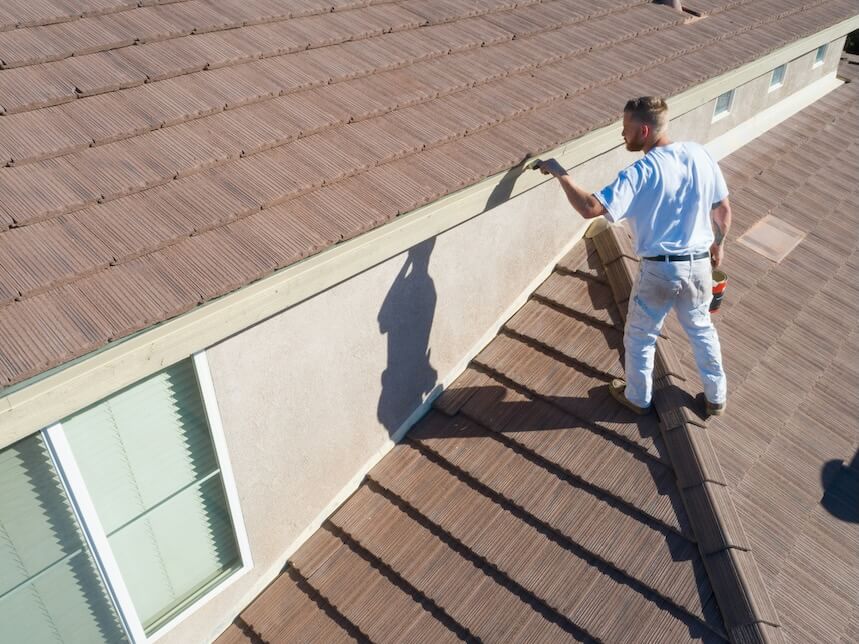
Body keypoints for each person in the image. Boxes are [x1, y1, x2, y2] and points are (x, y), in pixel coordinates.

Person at [536, 96, 731, 417]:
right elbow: (722, 210)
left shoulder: (642, 171)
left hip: (660, 270)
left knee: (641, 334)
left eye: (625, 129)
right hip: (698, 266)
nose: (622, 135)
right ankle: (716, 397)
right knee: (701, 329)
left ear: (643, 130)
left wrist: (561, 175)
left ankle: (638, 398)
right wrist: (718, 245)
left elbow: (591, 208)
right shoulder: (699, 154)